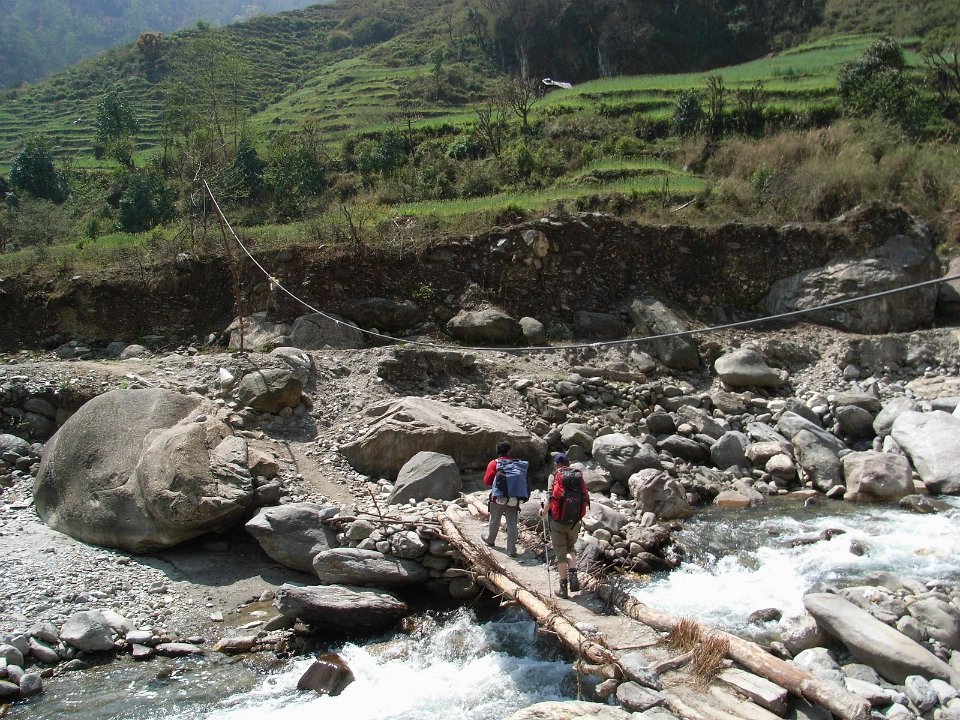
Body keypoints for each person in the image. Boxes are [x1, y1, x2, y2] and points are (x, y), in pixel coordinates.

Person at [541, 452, 590, 598]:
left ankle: (563, 588)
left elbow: (550, 498)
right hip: (574, 520)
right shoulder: (577, 476)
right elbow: (585, 496)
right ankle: (573, 576)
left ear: (556, 464)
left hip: (557, 521)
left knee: (561, 555)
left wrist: (543, 511)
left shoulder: (554, 476)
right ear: (568, 463)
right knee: (571, 548)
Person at [482, 440, 528, 557]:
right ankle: (511, 550)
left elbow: (487, 481)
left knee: (494, 519)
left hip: (498, 498)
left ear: (497, 451)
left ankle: (490, 539)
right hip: (514, 498)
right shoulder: (517, 464)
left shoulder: (494, 463)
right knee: (512, 523)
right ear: (509, 451)